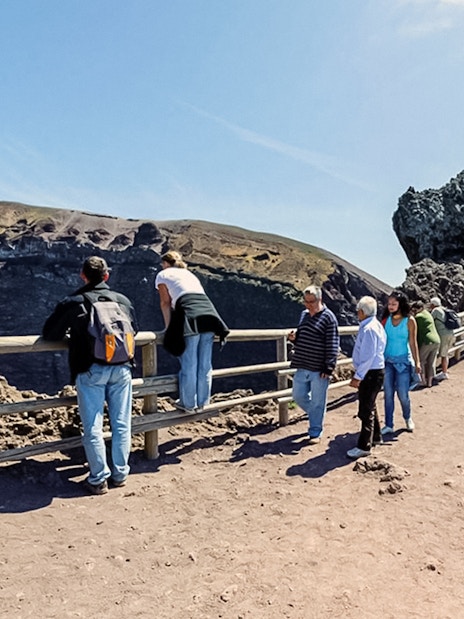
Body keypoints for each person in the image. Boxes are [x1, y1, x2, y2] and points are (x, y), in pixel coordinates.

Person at [42, 256, 137, 495]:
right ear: (107, 276)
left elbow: (50, 334)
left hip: (90, 369)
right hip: (122, 367)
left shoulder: (74, 302)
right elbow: (135, 329)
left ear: (83, 275)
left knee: (93, 426)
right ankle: (120, 473)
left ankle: (98, 479)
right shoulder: (123, 301)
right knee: (122, 423)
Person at [155, 250, 229, 413]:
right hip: (209, 314)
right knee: (204, 363)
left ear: (166, 263)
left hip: (189, 315)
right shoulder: (189, 274)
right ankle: (203, 403)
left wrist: (168, 328)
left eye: (162, 264)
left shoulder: (163, 274)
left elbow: (165, 303)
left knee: (190, 362)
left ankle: (188, 404)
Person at [288, 285, 339, 444]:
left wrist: (329, 366)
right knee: (298, 396)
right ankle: (316, 415)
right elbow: (302, 334)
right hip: (302, 363)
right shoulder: (304, 315)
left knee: (318, 400)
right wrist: (294, 338)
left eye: (312, 301)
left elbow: (333, 343)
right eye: (306, 301)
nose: (308, 305)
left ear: (320, 299)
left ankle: (315, 431)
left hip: (319, 368)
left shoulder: (329, 318)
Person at [347, 296, 386, 459]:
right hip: (375, 371)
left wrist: (358, 376)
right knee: (371, 404)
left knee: (365, 409)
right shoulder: (375, 325)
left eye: (358, 311)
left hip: (370, 373)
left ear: (362, 312)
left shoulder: (368, 329)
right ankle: (376, 437)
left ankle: (364, 446)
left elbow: (367, 356)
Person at [382, 290, 421, 435]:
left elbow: (413, 342)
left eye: (394, 304)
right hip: (387, 361)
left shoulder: (409, 321)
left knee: (403, 394)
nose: (390, 306)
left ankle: (407, 417)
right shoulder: (386, 319)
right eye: (389, 304)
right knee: (388, 393)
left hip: (403, 362)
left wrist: (417, 362)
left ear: (401, 304)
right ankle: (388, 424)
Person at [410, 300, 440, 388]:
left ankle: (422, 381)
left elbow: (416, 332)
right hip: (436, 340)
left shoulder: (418, 317)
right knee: (431, 362)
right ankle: (429, 382)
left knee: (421, 360)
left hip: (427, 341)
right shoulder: (427, 313)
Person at [429, 296, 454, 380]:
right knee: (445, 353)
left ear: (433, 304)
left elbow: (430, 320)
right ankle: (444, 371)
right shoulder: (444, 309)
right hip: (450, 333)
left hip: (442, 334)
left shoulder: (435, 311)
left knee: (438, 353)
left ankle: (443, 373)